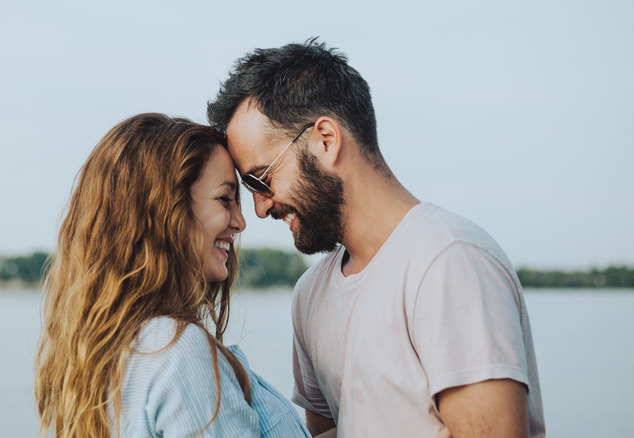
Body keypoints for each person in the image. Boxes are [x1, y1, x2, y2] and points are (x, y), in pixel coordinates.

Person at [207, 38, 546, 437]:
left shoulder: (449, 262)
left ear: (326, 140)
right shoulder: (310, 295)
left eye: (260, 180)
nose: (261, 209)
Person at [34, 113, 313, 437]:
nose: (241, 222)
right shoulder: (177, 351)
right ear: (166, 210)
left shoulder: (102, 357)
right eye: (225, 199)